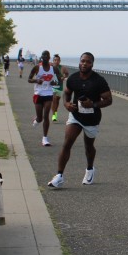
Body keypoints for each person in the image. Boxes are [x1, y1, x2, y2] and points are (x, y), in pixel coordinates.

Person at [48, 52, 112, 188]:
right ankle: (59, 176)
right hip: (76, 116)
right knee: (67, 143)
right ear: (79, 62)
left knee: (89, 146)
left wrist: (93, 104)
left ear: (92, 64)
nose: (84, 64)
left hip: (92, 118)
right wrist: (66, 104)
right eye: (82, 61)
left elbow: (108, 100)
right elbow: (67, 93)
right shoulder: (73, 78)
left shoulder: (99, 80)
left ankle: (90, 169)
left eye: (88, 62)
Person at [28, 50, 58, 146]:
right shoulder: (37, 67)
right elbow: (29, 79)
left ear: (49, 57)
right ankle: (36, 120)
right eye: (43, 56)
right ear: (41, 57)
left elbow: (58, 80)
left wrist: (54, 82)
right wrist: (36, 80)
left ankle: (45, 138)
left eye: (46, 56)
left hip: (48, 94)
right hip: (38, 94)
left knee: (46, 116)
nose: (45, 57)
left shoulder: (53, 68)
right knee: (40, 118)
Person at [50, 54, 67, 121]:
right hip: (52, 87)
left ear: (60, 61)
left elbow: (67, 73)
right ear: (53, 61)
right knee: (54, 100)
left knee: (57, 101)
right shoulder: (50, 67)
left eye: (57, 60)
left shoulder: (62, 68)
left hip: (60, 87)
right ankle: (54, 116)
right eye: (55, 60)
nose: (56, 61)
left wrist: (64, 77)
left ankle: (55, 113)